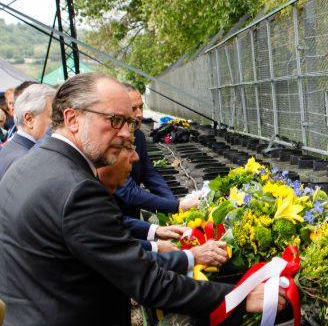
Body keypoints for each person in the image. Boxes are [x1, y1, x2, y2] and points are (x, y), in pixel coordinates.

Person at [0, 73, 277, 325]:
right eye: (114, 121)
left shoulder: (29, 165)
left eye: (129, 122)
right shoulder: (76, 188)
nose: (124, 134)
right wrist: (240, 297)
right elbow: (148, 283)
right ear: (73, 119)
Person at [97, 137, 228, 274]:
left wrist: (158, 227)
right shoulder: (83, 189)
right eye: (128, 148)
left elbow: (149, 173)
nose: (136, 157)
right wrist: (188, 256)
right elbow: (116, 246)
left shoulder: (137, 135)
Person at [115, 82, 198, 216]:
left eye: (141, 107)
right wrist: (175, 206)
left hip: (132, 215)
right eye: (133, 109)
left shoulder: (139, 136)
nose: (140, 114)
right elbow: (127, 190)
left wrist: (171, 202)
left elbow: (149, 173)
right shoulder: (111, 144)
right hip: (116, 218)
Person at [0, 84, 55, 181]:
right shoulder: (29, 158)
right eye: (52, 117)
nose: (58, 122)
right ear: (29, 119)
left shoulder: (11, 148)